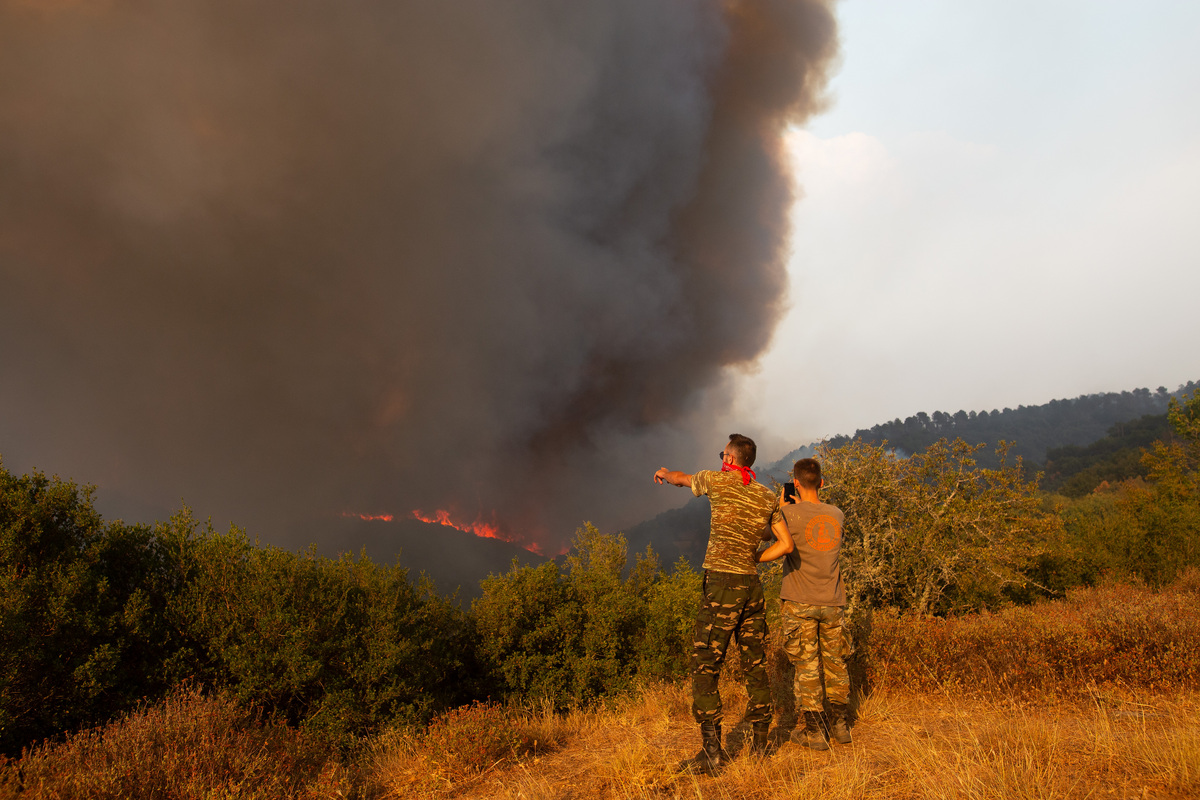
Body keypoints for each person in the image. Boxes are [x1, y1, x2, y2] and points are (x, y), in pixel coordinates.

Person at [654, 433, 794, 775]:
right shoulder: (765, 496)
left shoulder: (715, 481)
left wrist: (663, 471)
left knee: (705, 666)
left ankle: (712, 755)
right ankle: (760, 747)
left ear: (730, 460)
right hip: (751, 586)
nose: (722, 459)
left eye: (723, 455)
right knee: (755, 663)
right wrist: (756, 558)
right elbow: (786, 544)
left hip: (721, 584)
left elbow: (681, 479)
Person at [779, 457, 852, 750]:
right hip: (833, 601)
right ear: (821, 482)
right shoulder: (837, 514)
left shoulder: (789, 515)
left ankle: (814, 732)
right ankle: (841, 726)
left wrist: (782, 509)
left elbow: (767, 536)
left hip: (800, 600)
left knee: (807, 667)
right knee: (836, 664)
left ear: (795, 483)